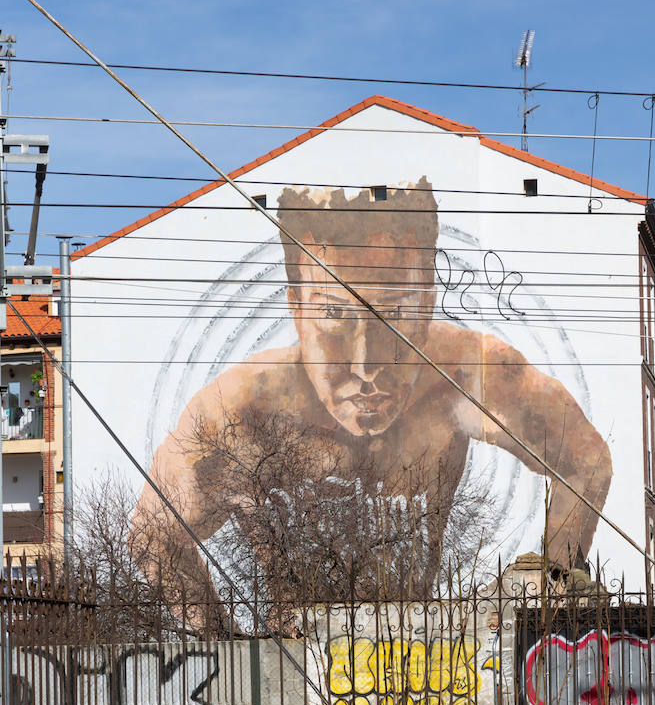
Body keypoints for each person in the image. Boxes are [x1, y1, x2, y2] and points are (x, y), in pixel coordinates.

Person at [133, 178, 612, 619]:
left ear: (427, 299)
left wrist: (549, 585)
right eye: (335, 313)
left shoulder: (465, 371)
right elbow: (154, 531)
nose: (366, 365)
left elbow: (585, 458)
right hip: (297, 669)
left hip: (423, 664)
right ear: (296, 306)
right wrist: (227, 649)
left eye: (395, 312)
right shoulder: (242, 408)